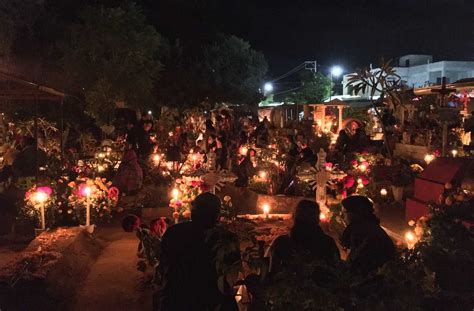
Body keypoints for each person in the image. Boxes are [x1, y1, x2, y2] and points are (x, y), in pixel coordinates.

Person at [158, 193, 240, 310]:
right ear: (217, 215)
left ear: (193, 212)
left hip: (177, 297)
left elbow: (163, 265)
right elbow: (232, 273)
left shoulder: (173, 232)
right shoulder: (226, 237)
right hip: (213, 299)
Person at [269, 200, 339, 275]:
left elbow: (272, 274)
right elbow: (337, 272)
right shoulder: (328, 243)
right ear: (317, 219)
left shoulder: (281, 243)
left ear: (294, 217)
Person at [340, 195, 395, 275]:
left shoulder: (364, 233)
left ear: (355, 213)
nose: (342, 216)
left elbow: (357, 265)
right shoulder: (367, 227)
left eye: (344, 212)